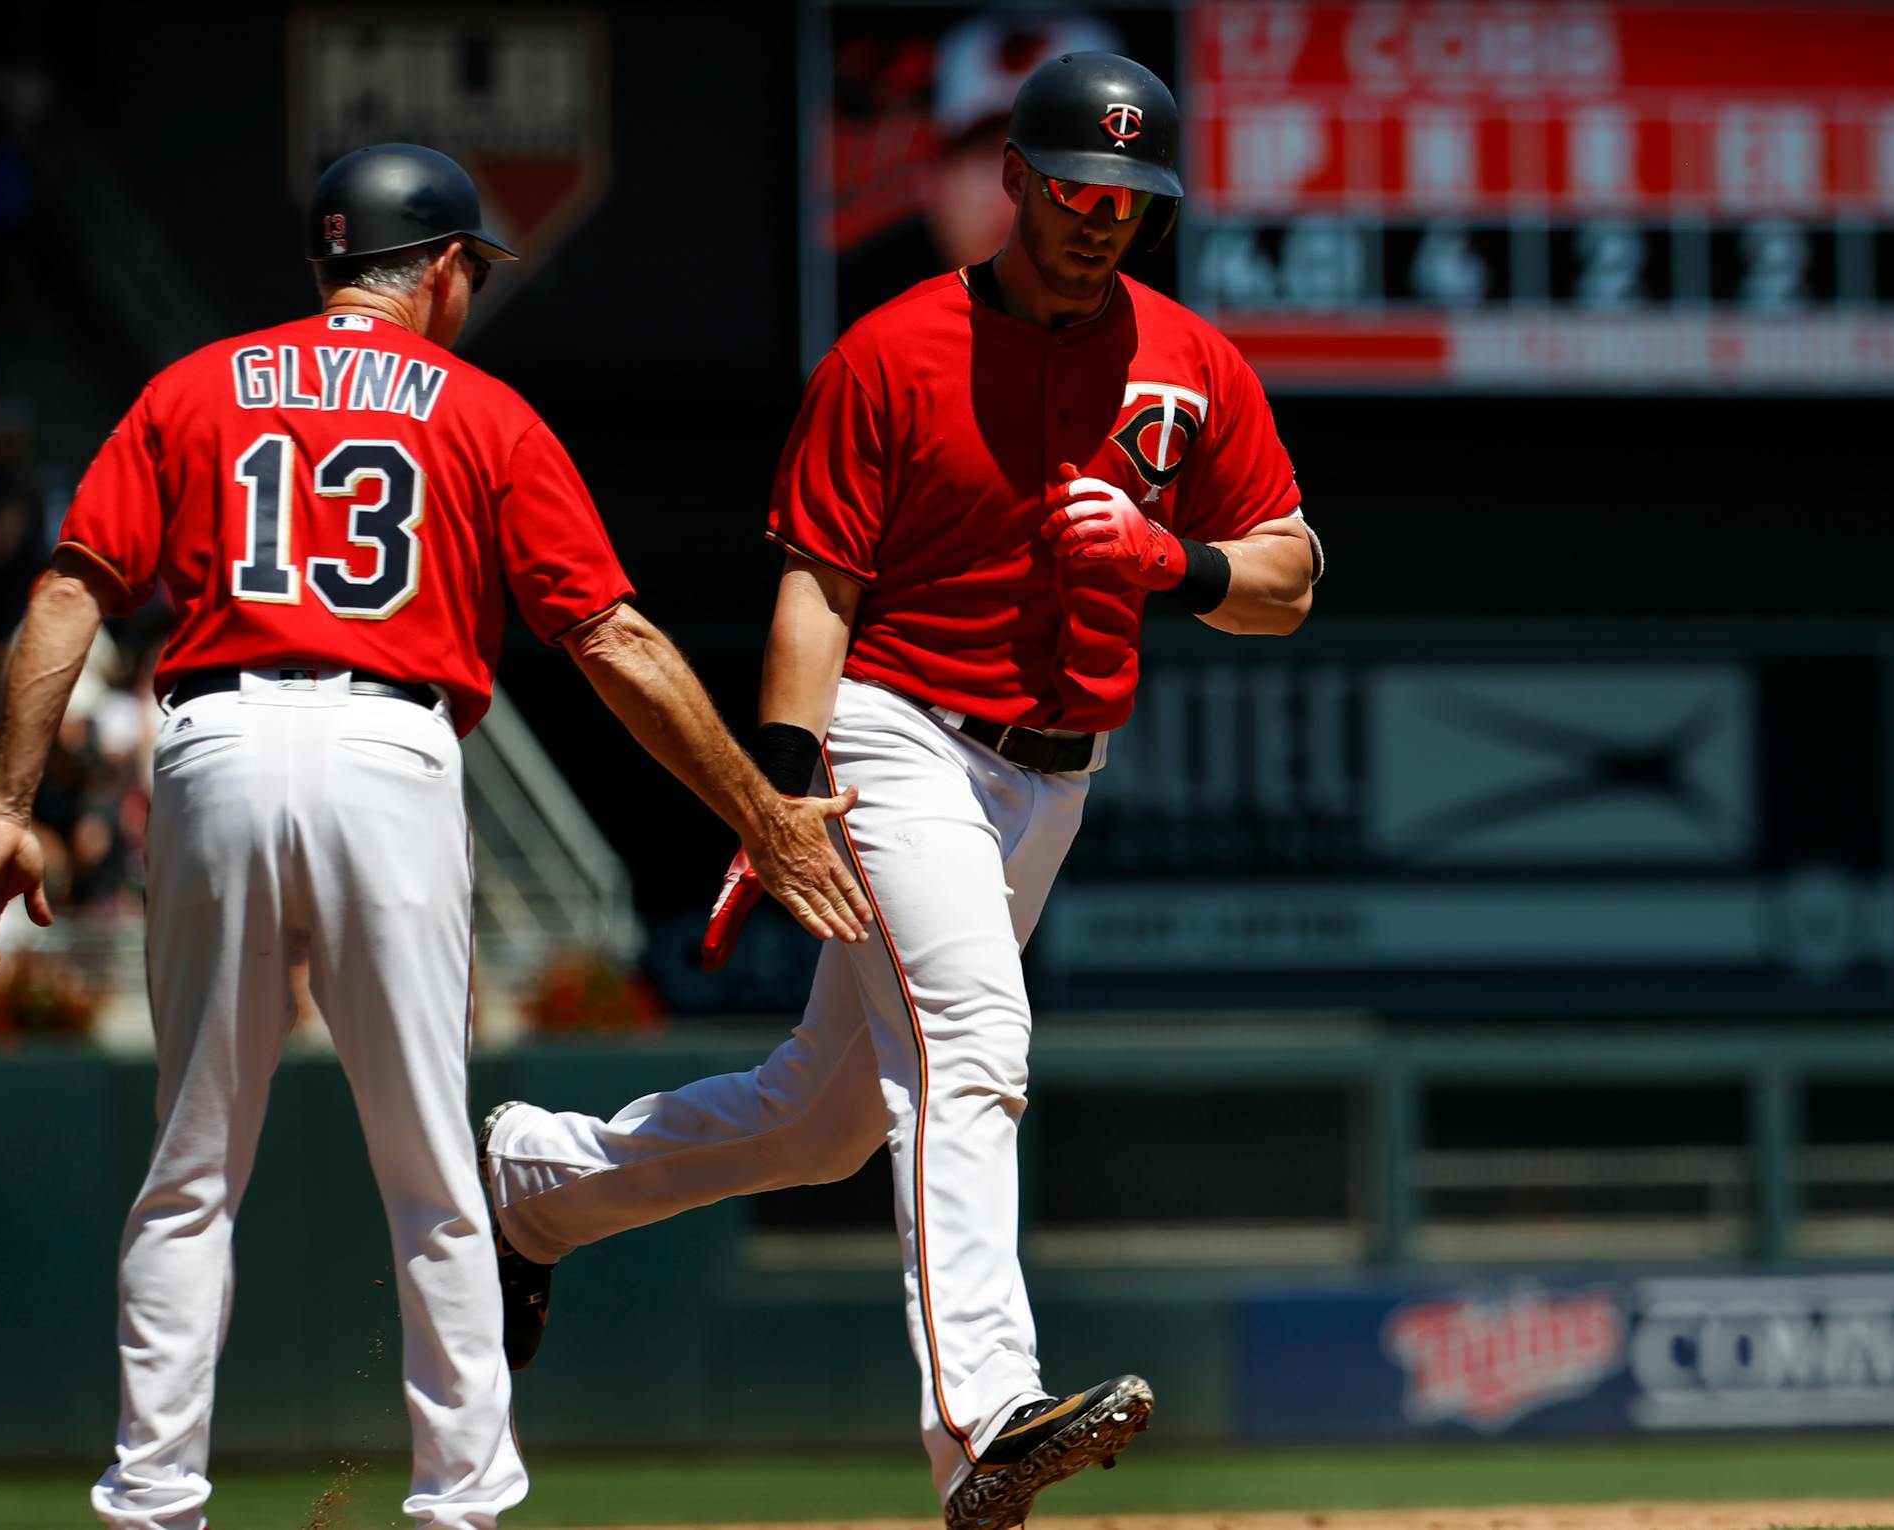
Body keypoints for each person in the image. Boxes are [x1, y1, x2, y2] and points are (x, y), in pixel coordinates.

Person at [0, 143, 869, 1530]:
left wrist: (8, 807)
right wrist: (762, 809)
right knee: (435, 1172)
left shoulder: (194, 386)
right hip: (389, 749)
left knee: (189, 1172)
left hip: (214, 743)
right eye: (471, 272)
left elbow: (69, 592)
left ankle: (151, 1502)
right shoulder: (480, 409)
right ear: (442, 266)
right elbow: (612, 639)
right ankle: (457, 1505)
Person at [480, 52, 1320, 1530]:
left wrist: (1172, 561)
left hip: (1054, 775)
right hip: (898, 730)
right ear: (1014, 179)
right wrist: (780, 789)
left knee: (825, 1122)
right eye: (1077, 189)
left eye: (1129, 197)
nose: (1101, 218)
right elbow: (818, 592)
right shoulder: (890, 352)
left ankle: (537, 1184)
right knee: (978, 1033)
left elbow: (1290, 575)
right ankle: (985, 1419)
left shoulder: (1192, 359)